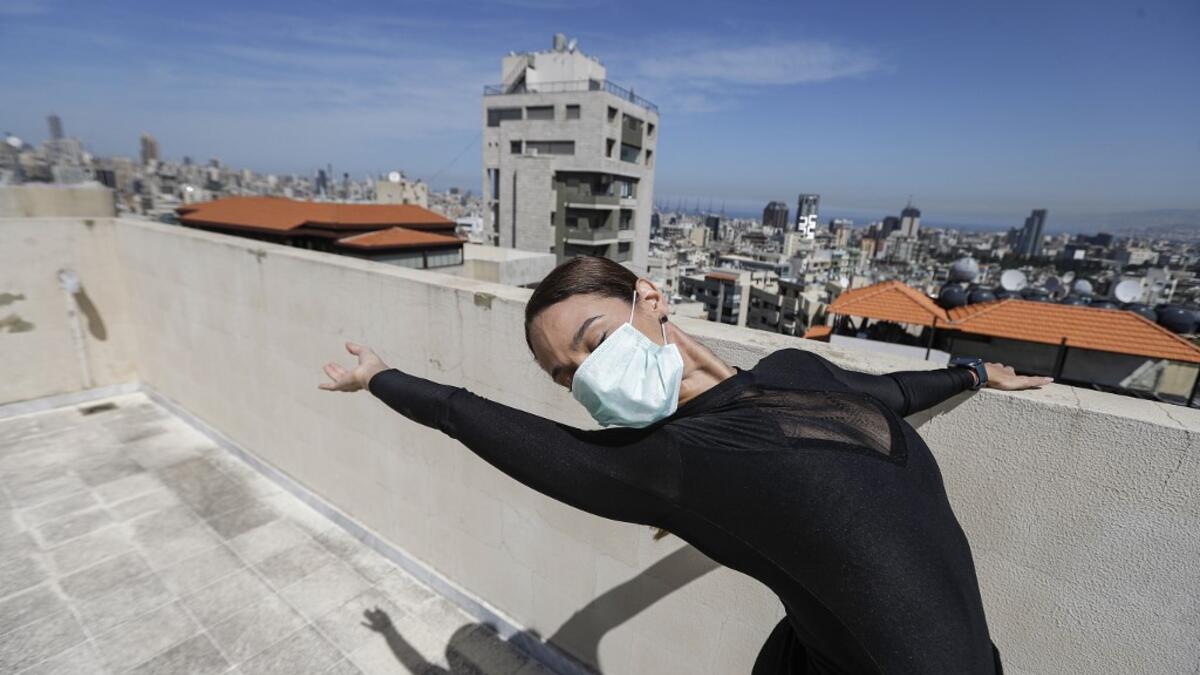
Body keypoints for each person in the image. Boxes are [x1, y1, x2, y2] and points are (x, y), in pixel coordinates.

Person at [320, 256, 1051, 674]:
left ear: (651, 300)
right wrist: (381, 377)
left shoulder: (795, 366)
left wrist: (975, 374)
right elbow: (469, 416)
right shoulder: (668, 466)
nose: (584, 374)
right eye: (564, 374)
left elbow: (888, 392)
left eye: (593, 338)